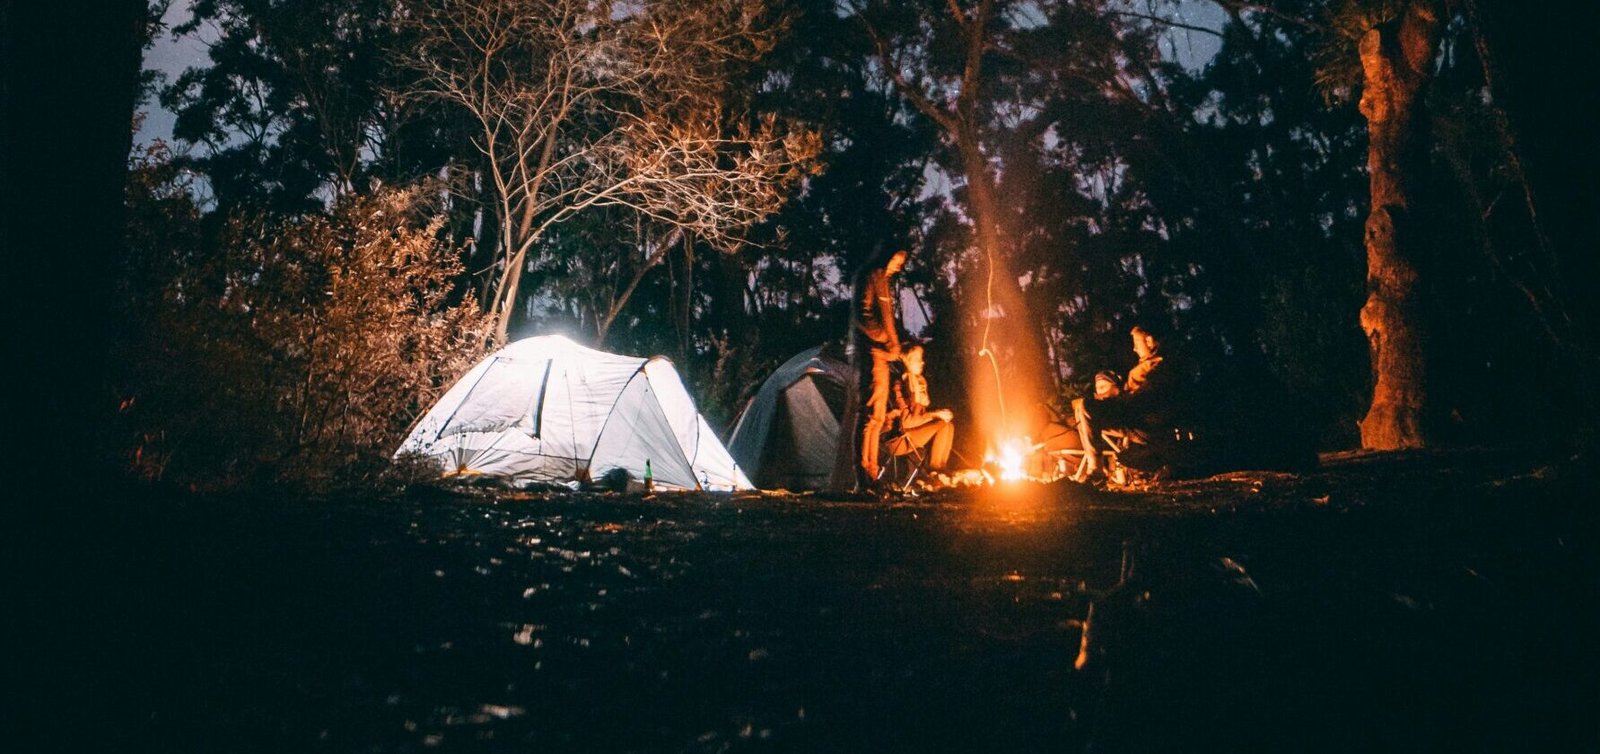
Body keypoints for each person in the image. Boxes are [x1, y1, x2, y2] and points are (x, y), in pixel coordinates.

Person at [833, 246, 908, 491]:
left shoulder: (882, 280)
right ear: (887, 253)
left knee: (877, 417)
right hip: (870, 353)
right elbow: (863, 315)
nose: (899, 265)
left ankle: (872, 475)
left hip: (881, 355)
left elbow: (885, 316)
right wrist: (886, 339)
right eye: (897, 258)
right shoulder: (869, 276)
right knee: (868, 416)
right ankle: (862, 476)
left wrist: (894, 345)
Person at [1071, 323, 1183, 479]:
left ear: (1149, 341)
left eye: (1137, 344)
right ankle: (1095, 466)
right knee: (1081, 408)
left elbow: (1145, 397)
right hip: (1134, 420)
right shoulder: (1146, 365)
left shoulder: (1160, 366)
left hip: (1146, 425)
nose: (1134, 349)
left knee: (1086, 406)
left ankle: (1096, 468)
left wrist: (1116, 398)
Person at [886, 343, 955, 473]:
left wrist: (939, 413)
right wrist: (935, 414)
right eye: (917, 360)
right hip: (900, 439)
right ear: (906, 361)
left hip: (914, 433)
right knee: (942, 424)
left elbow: (920, 417)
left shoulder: (919, 382)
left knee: (948, 425)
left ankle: (941, 468)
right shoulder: (899, 386)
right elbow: (907, 422)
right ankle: (934, 471)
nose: (922, 362)